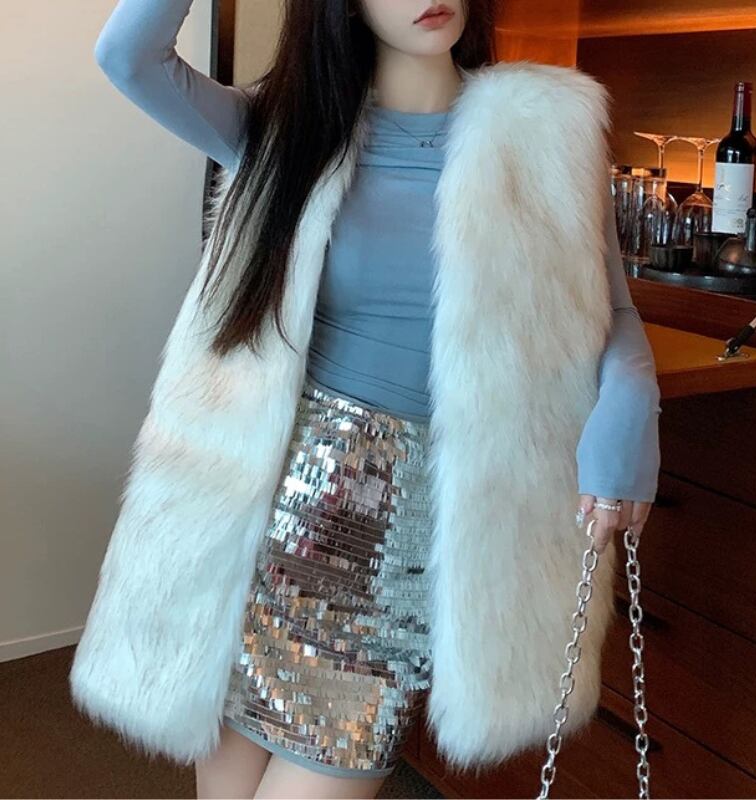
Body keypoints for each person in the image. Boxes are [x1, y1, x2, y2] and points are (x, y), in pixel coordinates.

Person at [86, 1, 661, 797]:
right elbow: (128, 55)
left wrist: (632, 402)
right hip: (260, 533)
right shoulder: (287, 128)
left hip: (408, 552)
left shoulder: (547, 129)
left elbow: (613, 311)